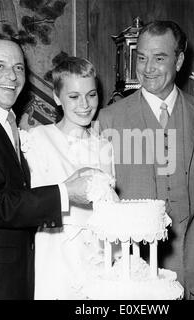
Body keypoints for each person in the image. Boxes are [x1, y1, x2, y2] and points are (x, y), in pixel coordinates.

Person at [0, 34, 96, 300]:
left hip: (15, 276)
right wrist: (65, 192)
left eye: (18, 67)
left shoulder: (7, 124)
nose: (12, 76)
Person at [98, 20, 194, 299]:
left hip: (191, 272)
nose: (148, 68)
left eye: (159, 58)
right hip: (133, 276)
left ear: (180, 60)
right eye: (142, 58)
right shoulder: (109, 118)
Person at [20, 56, 116, 299]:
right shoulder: (37, 139)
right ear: (56, 97)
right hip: (55, 257)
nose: (84, 104)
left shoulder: (104, 146)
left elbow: (109, 213)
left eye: (91, 95)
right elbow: (30, 204)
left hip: (97, 257)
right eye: (73, 96)